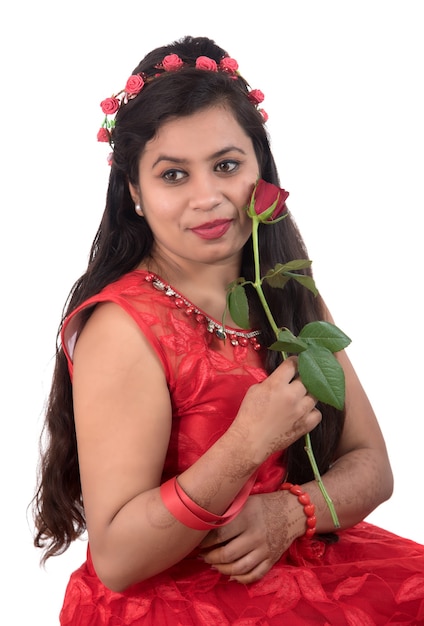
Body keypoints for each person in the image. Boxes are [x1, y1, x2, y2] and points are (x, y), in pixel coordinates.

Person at [32, 35, 424, 625]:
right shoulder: (122, 326)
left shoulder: (285, 289)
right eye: (173, 175)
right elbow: (116, 558)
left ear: (259, 169)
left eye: (226, 165)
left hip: (297, 555)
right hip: (177, 596)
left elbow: (372, 465)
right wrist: (246, 445)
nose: (208, 198)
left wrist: (291, 514)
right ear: (134, 192)